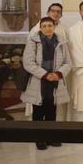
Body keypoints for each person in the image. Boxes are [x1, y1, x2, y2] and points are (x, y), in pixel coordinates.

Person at [21, 17, 71, 148]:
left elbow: (68, 62)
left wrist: (58, 74)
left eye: (50, 25)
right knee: (38, 111)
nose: (47, 28)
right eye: (44, 26)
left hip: (54, 80)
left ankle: (51, 137)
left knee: (51, 111)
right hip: (39, 81)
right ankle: (39, 139)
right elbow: (28, 62)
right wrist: (45, 74)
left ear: (54, 26)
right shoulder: (33, 41)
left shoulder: (61, 41)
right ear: (40, 28)